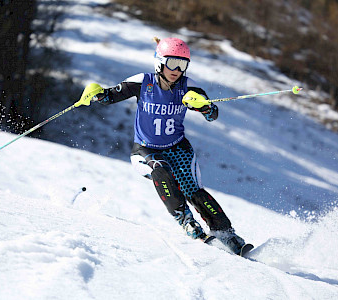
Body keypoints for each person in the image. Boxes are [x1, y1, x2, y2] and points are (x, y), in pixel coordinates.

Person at [80, 37, 247, 254]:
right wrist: (96, 93)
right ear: (159, 62)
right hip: (145, 150)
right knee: (161, 170)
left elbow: (213, 114)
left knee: (194, 191)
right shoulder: (143, 81)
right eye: (172, 63)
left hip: (178, 149)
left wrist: (203, 107)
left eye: (182, 65)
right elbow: (109, 97)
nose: (176, 70)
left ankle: (227, 234)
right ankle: (186, 221)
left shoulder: (190, 86)